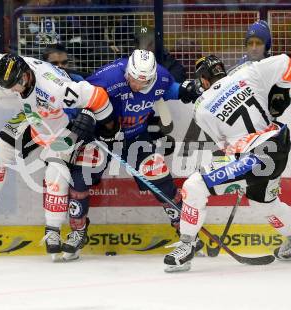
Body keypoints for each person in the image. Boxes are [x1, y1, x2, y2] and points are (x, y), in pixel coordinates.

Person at [0, 29, 114, 260]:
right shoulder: (5, 65)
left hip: (62, 124)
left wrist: (106, 127)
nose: (12, 91)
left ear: (26, 76)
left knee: (56, 174)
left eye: (14, 86)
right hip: (34, 117)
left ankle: (54, 231)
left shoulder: (55, 87)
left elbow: (98, 97)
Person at [164, 54, 291, 272]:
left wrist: (236, 168)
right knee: (267, 203)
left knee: (194, 186)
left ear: (204, 80)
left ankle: (187, 245)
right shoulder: (249, 72)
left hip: (254, 156)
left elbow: (225, 146)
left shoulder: (202, 106)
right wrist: (280, 92)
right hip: (277, 147)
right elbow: (288, 64)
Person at [60, 49, 203, 260]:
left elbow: (170, 90)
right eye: (133, 79)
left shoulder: (161, 77)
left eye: (143, 83)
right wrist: (83, 117)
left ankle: (187, 234)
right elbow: (81, 97)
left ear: (153, 77)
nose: (137, 85)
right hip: (103, 138)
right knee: (80, 179)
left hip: (136, 137)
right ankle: (78, 231)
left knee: (161, 180)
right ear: (127, 71)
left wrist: (187, 89)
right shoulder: (109, 76)